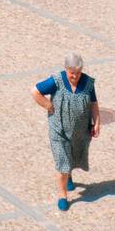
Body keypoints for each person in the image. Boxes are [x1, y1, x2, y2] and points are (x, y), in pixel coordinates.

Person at [32, 52, 100, 211]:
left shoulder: (88, 83)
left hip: (79, 131)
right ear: (66, 69)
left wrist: (97, 122)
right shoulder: (56, 80)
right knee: (63, 162)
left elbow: (94, 103)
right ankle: (62, 195)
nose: (75, 76)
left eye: (77, 73)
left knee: (74, 155)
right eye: (71, 73)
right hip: (59, 130)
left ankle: (69, 175)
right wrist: (48, 105)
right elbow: (35, 91)